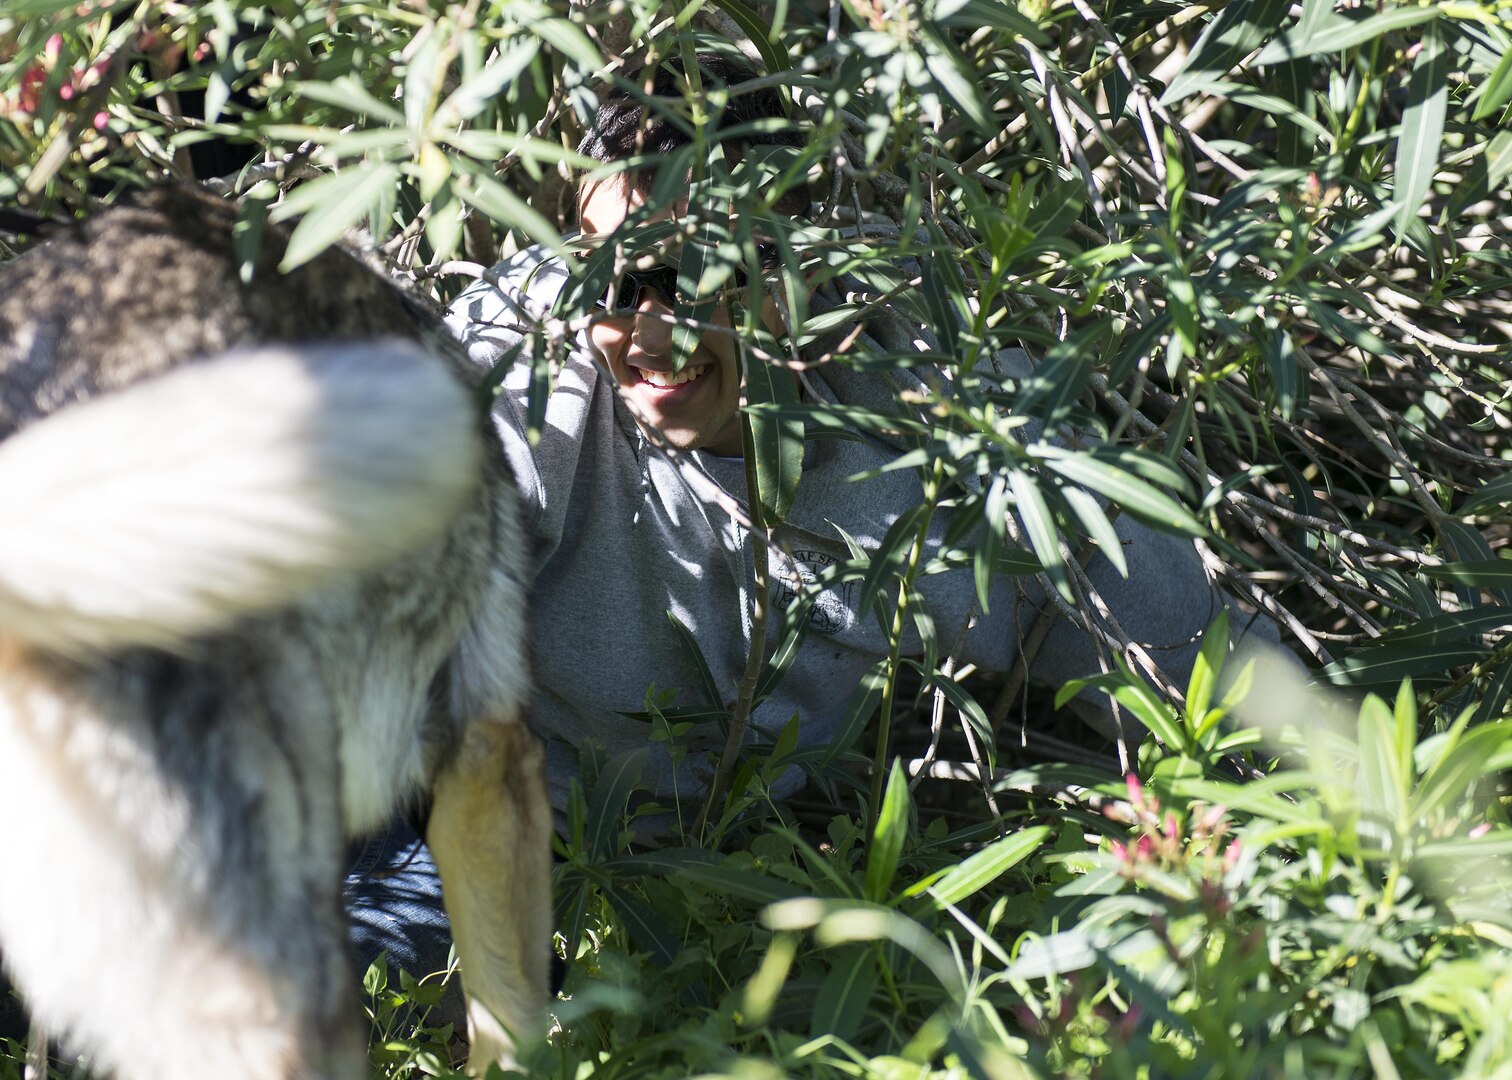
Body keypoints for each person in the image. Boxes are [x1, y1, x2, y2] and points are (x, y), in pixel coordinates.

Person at [343, 50, 1260, 1020]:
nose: (653, 333)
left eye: (701, 273)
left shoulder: (934, 410)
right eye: (617, 276)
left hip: (748, 897)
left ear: (795, 250)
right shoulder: (518, 372)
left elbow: (1209, 674)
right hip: (465, 842)